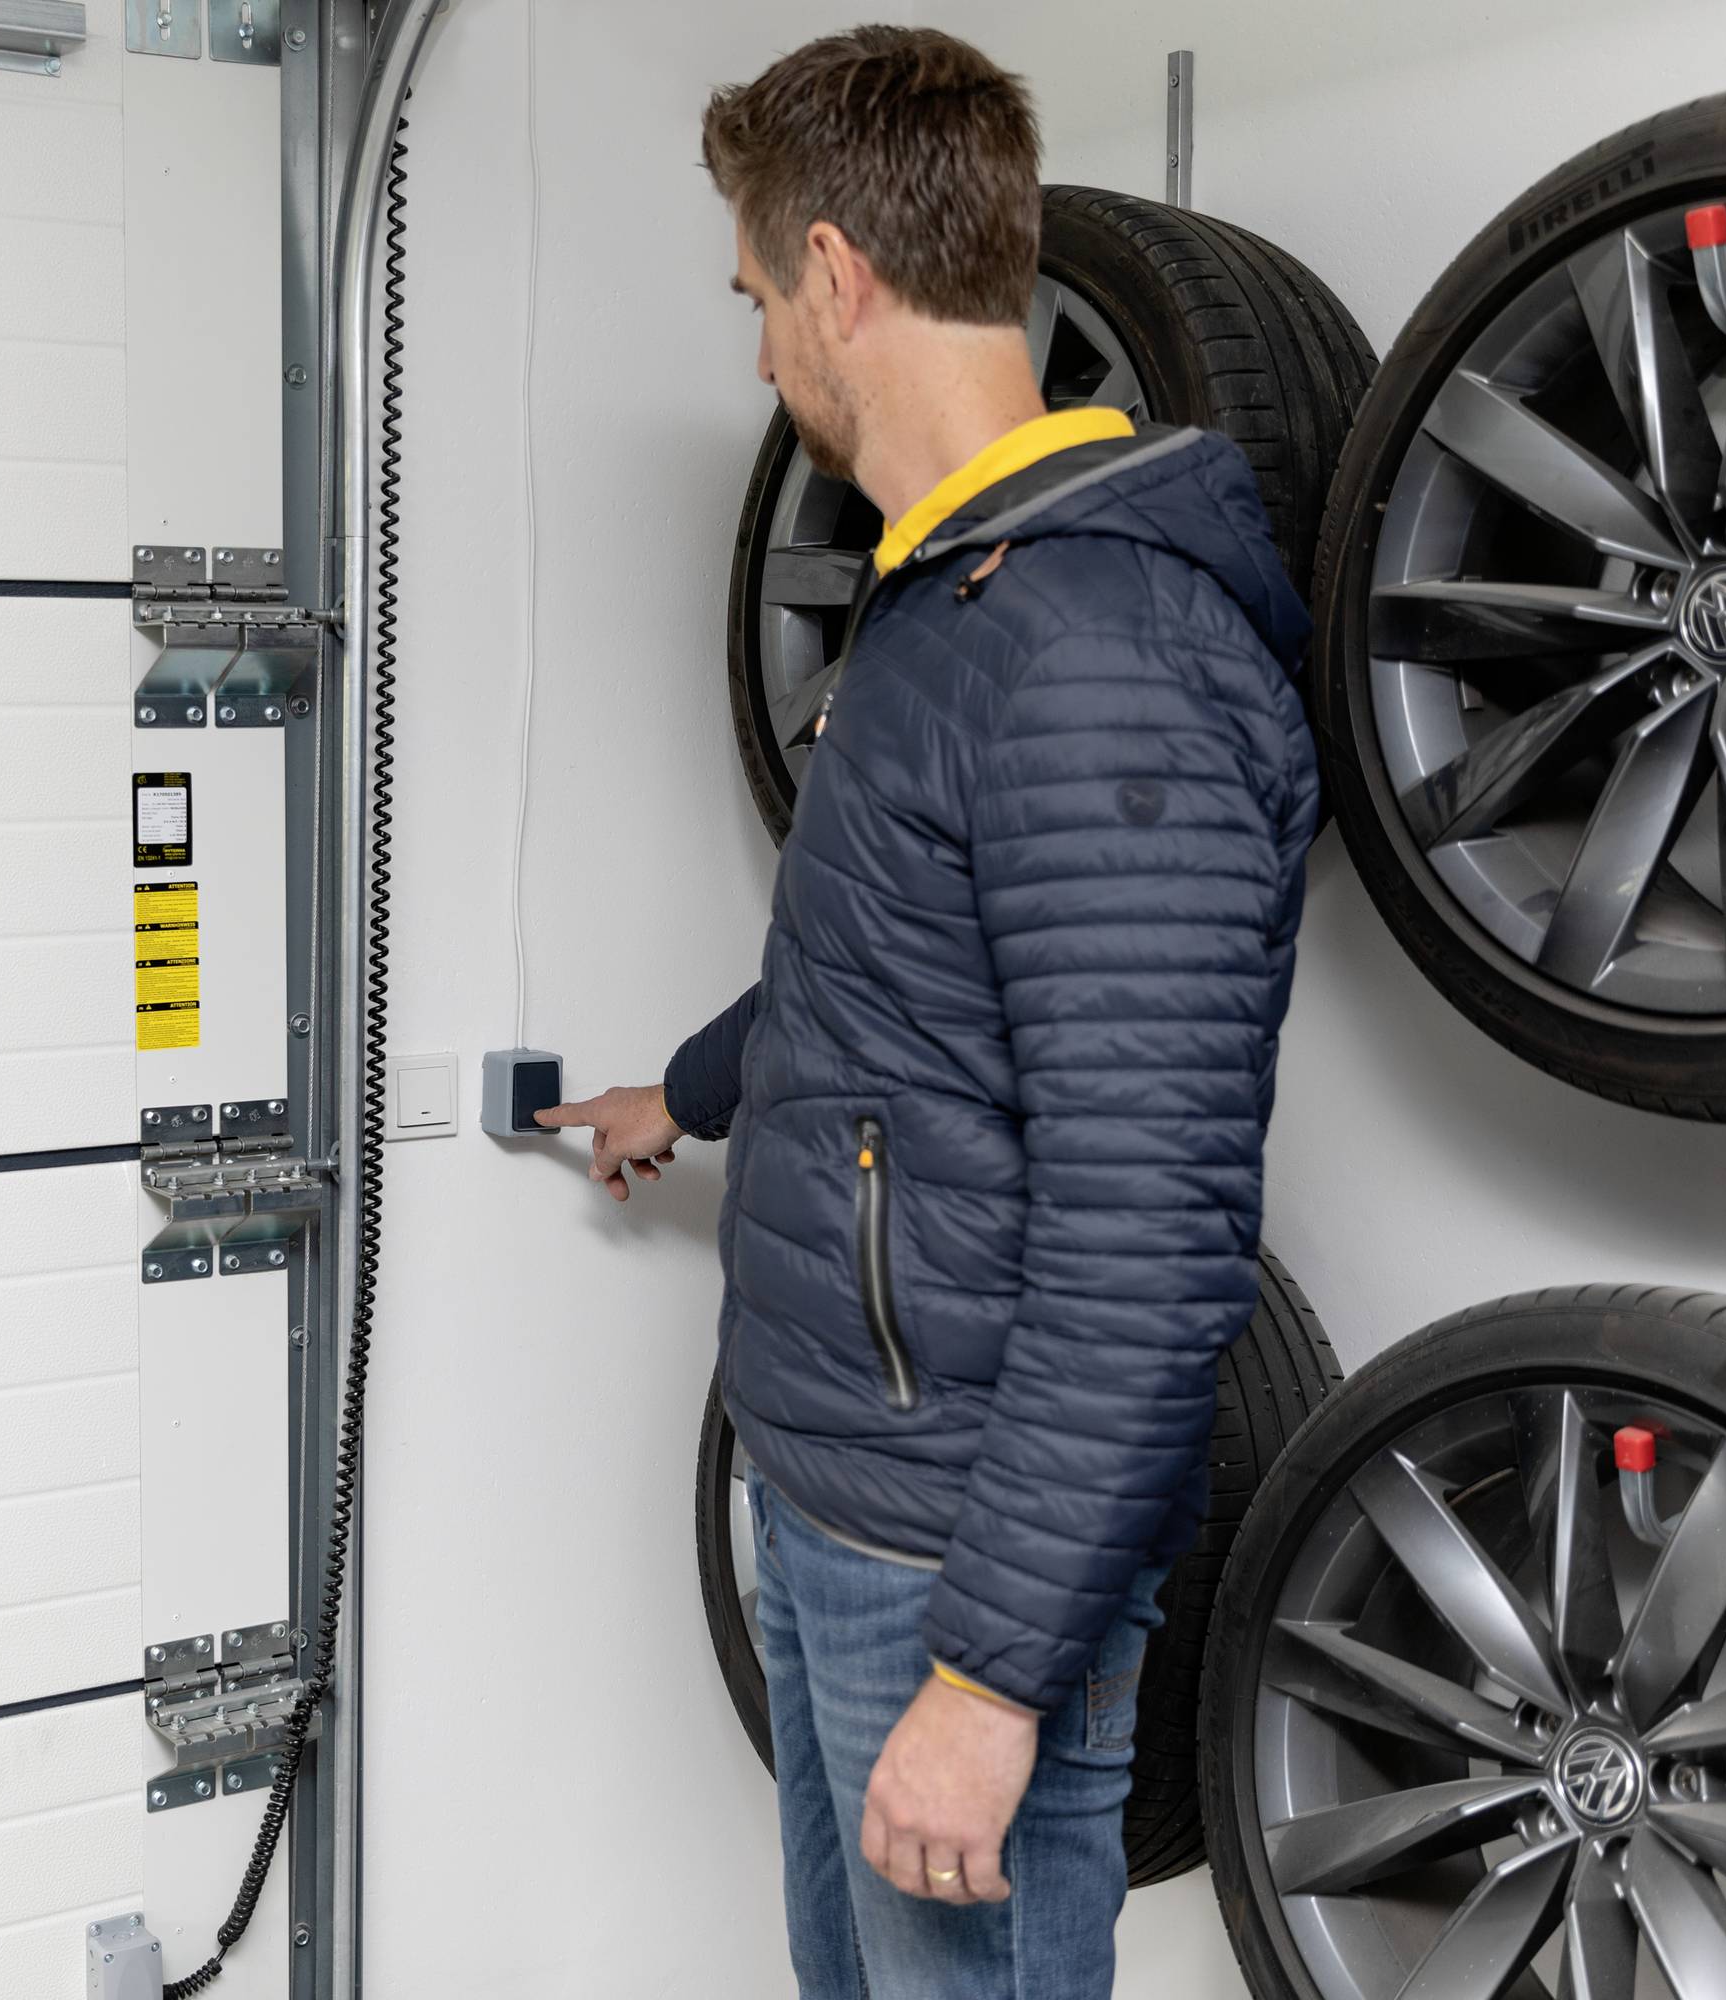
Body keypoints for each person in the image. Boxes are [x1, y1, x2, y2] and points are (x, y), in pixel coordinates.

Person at [535, 26, 1318, 2000]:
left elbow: (1150, 1248)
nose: (760, 354)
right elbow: (875, 958)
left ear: (837, 274)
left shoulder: (1104, 654)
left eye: (753, 298)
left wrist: (988, 1677)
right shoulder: (954, 589)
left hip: (955, 1559)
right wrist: (686, 1094)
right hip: (833, 1494)